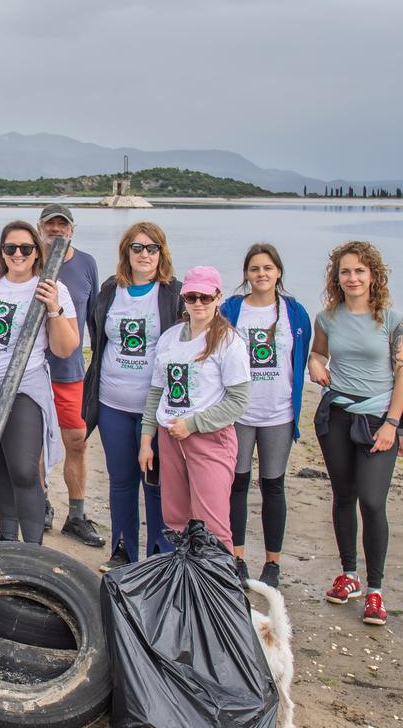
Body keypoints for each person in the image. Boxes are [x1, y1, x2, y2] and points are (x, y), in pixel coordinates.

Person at [308, 240, 403, 627]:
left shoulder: (392, 319)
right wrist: (315, 364)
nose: (352, 278)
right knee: (344, 496)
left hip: (377, 419)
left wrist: (392, 424)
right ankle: (348, 575)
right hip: (337, 415)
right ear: (336, 278)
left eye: (359, 271)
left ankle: (375, 590)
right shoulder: (327, 317)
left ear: (373, 276)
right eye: (345, 272)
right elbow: (318, 354)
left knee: (371, 501)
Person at [0, 222, 78, 544]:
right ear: (2, 251)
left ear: (37, 251)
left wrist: (53, 308)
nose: (18, 254)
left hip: (24, 384)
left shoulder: (51, 287)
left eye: (26, 248)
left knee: (24, 468)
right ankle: (8, 538)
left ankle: (33, 546)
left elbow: (65, 348)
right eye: (11, 248)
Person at [83, 222, 182, 568]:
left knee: (155, 481)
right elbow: (98, 335)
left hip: (156, 407)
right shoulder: (111, 290)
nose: (144, 255)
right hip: (113, 402)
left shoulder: (173, 293)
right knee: (121, 480)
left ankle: (159, 552)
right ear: (126, 252)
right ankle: (123, 550)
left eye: (152, 248)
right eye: (137, 248)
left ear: (161, 253)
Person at [137, 267, 251, 558]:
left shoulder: (229, 341)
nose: (198, 303)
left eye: (205, 297)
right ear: (184, 299)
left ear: (218, 298)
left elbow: (238, 401)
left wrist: (193, 424)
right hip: (169, 437)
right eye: (191, 297)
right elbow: (156, 392)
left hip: (209, 439)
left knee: (212, 523)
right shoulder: (169, 338)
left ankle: (219, 581)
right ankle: (187, 578)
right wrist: (147, 440)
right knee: (176, 518)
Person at [220, 244, 312, 588]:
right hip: (239, 413)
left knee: (273, 485)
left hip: (279, 413)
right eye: (255, 268)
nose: (261, 274)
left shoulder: (295, 313)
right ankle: (237, 557)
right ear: (246, 273)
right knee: (237, 483)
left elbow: (300, 357)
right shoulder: (232, 310)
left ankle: (273, 563)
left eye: (268, 268)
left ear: (278, 272)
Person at [36, 204, 103, 547]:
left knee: (76, 440)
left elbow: (94, 319)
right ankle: (41, 503)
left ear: (72, 230)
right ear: (40, 228)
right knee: (34, 442)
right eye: (51, 225)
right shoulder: (27, 258)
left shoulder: (86, 263)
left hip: (70, 370)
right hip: (33, 368)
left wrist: (98, 363)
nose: (57, 230)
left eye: (63, 225)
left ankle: (76, 514)